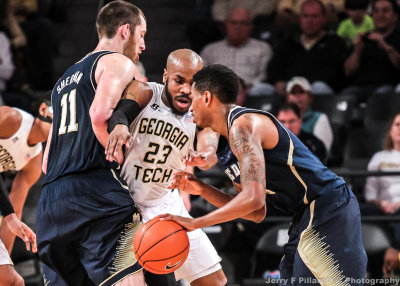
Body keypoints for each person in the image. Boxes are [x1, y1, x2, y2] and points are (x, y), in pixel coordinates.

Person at [162, 64, 367, 285]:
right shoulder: (228, 143)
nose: (190, 107)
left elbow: (253, 198)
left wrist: (196, 222)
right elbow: (255, 211)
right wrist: (201, 188)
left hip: (328, 204)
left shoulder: (243, 126)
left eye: (193, 97)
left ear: (207, 98)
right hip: (305, 212)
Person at [36, 1, 147, 285]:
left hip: (51, 202)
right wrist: (118, 156)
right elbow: (99, 114)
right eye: (142, 34)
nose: (144, 45)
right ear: (125, 30)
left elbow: (46, 162)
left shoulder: (63, 80)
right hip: (97, 194)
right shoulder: (117, 62)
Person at [105, 49, 227, 286]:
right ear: (165, 77)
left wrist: (205, 155)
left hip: (168, 206)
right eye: (179, 81)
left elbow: (209, 139)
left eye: (193, 83)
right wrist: (119, 125)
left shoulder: (200, 109)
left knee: (215, 280)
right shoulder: (146, 91)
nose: (185, 90)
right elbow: (122, 111)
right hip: (131, 208)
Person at [0, 100, 52, 254]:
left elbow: (14, 212)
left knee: (13, 279)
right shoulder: (12, 118)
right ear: (43, 109)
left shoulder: (35, 162)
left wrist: (5, 263)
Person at [268, 0, 348, 97]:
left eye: (314, 16)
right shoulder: (289, 42)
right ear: (300, 19)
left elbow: (332, 74)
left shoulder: (335, 42)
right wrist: (279, 82)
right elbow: (274, 68)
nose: (309, 21)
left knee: (319, 87)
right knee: (261, 89)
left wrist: (300, 86)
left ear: (324, 19)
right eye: (305, 16)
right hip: (287, 90)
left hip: (316, 92)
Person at [200, 6, 274, 96]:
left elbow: (263, 76)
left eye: (243, 23)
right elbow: (202, 76)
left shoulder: (263, 48)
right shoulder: (210, 49)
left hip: (250, 92)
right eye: (233, 23)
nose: (238, 27)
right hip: (216, 92)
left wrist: (244, 88)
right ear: (226, 25)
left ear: (251, 27)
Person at [343, 0, 400, 103]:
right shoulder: (363, 38)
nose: (380, 15)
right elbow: (348, 71)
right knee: (346, 94)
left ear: (395, 16)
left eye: (385, 11)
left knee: (381, 94)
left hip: (388, 88)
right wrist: (357, 50)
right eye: (376, 11)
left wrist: (386, 47)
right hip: (360, 88)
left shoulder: (398, 37)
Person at [362, 112, 400, 247]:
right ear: (390, 130)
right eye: (397, 124)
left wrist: (398, 204)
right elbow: (370, 191)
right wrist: (381, 203)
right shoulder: (379, 157)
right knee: (353, 210)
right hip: (382, 206)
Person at [0, 175, 37, 286]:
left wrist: (10, 216)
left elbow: (16, 208)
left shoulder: (34, 161)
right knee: (13, 282)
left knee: (13, 282)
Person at [286, 76, 334, 154]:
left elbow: (322, 153)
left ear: (310, 97)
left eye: (301, 92)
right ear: (287, 98)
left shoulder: (319, 118)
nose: (297, 96)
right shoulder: (281, 118)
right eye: (293, 92)